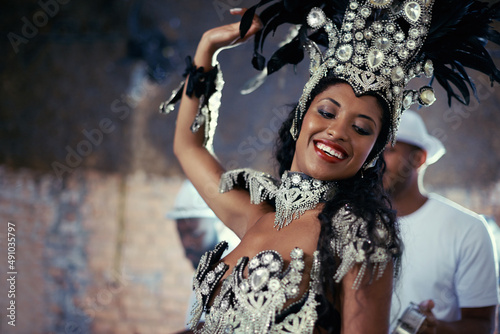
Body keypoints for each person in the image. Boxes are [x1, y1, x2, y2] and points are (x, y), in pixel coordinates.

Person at [162, 1, 500, 333]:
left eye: (362, 128)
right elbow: (188, 147)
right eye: (327, 112)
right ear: (300, 119)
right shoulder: (257, 211)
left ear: (372, 155)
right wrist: (209, 47)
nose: (337, 131)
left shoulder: (360, 238)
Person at [384, 110, 500, 333]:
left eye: (388, 150)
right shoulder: (346, 221)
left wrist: (435, 328)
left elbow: (483, 324)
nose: (375, 162)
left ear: (419, 158)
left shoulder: (468, 229)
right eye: (372, 151)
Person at [167, 180, 240, 332]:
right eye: (181, 234)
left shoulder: (232, 267)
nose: (187, 243)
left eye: (195, 233)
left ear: (219, 224)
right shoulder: (205, 268)